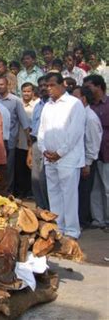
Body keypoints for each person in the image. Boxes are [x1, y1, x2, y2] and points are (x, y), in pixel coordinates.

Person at [38, 72, 85, 239]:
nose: (49, 89)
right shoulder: (47, 106)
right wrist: (44, 149)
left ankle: (72, 230)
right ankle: (59, 227)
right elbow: (41, 131)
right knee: (54, 193)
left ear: (62, 85)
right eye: (47, 86)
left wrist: (60, 153)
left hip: (68, 158)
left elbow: (75, 132)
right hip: (50, 157)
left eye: (52, 85)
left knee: (69, 194)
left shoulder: (74, 104)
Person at [72, 86, 102, 228]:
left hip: (86, 161)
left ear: (83, 99)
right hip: (80, 160)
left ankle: (83, 222)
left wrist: (87, 163)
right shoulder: (81, 115)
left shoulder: (90, 118)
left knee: (84, 193)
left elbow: (93, 143)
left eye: (76, 97)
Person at [0, 77, 31, 194]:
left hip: (10, 142)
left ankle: (8, 193)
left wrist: (29, 141)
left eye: (1, 84)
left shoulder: (15, 101)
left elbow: (24, 121)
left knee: (9, 169)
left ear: (7, 85)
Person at [83, 75, 109, 229]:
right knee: (95, 188)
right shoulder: (89, 107)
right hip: (93, 154)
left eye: (89, 86)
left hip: (106, 151)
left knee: (107, 188)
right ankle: (98, 219)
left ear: (99, 87)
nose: (87, 89)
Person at [27, 76, 50, 209]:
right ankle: (40, 208)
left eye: (45, 85)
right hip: (35, 144)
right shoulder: (38, 105)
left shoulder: (52, 105)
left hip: (47, 145)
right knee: (35, 179)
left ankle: (48, 208)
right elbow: (32, 129)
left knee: (44, 179)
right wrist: (30, 150)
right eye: (40, 86)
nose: (43, 88)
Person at [15, 82, 38, 197]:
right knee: (20, 168)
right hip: (19, 141)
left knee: (30, 168)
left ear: (33, 92)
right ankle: (21, 192)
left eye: (29, 91)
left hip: (32, 142)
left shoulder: (37, 105)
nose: (26, 94)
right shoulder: (18, 103)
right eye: (24, 91)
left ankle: (31, 192)